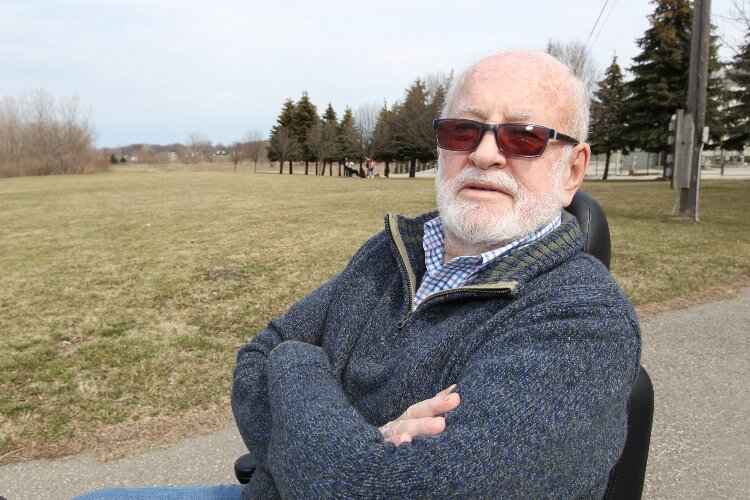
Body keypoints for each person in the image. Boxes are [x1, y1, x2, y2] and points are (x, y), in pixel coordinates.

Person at [76, 48, 641, 499]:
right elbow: (255, 356)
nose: (486, 154)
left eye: (524, 136)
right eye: (463, 131)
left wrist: (296, 366)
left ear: (573, 168)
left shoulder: (583, 321)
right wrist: (363, 447)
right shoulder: (395, 251)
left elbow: (393, 491)